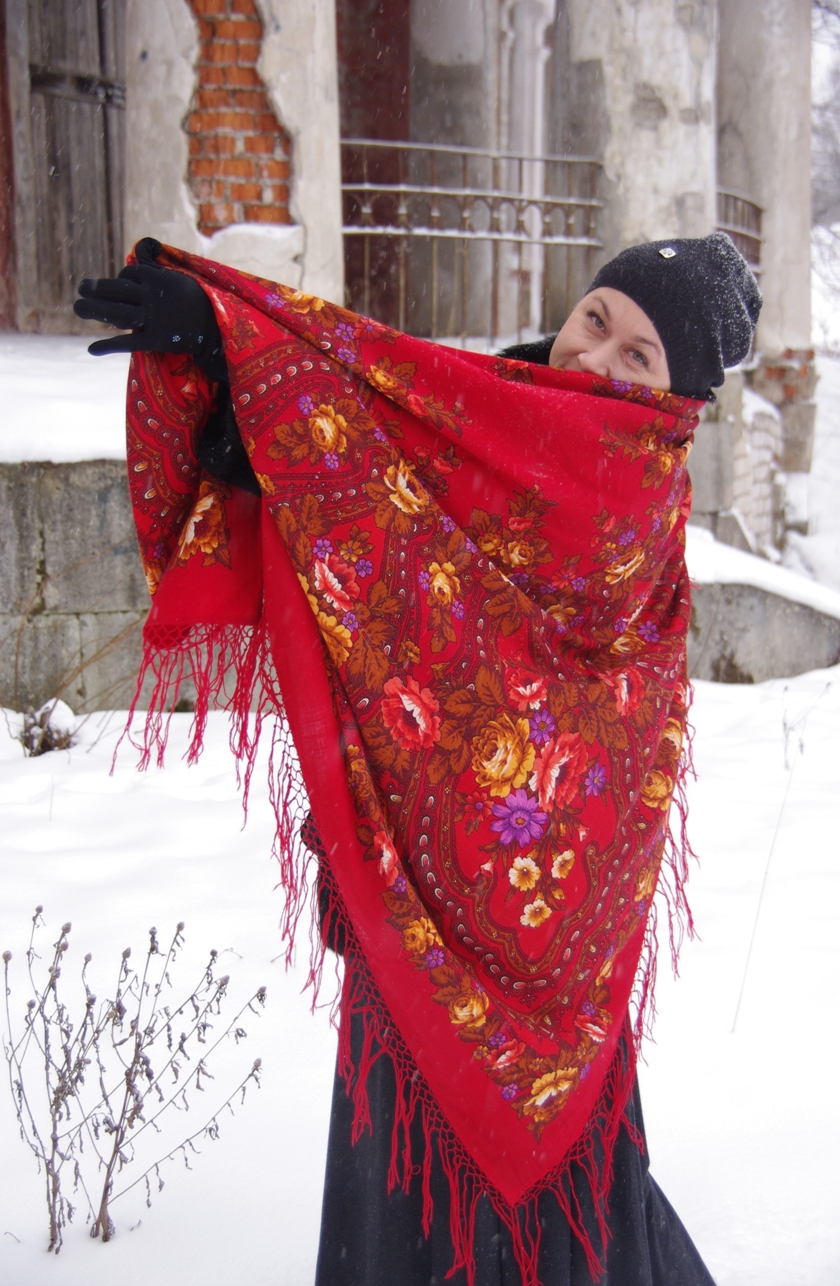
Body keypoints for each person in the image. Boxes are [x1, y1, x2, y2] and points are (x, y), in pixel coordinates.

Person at [75, 231, 760, 1286]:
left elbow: (412, 522)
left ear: (679, 398)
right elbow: (390, 464)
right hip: (417, 880)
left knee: (510, 1184)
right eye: (595, 320)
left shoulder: (625, 485)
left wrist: (258, 373)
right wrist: (243, 383)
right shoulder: (483, 414)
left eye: (638, 355)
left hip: (537, 920)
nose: (593, 358)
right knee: (429, 1170)